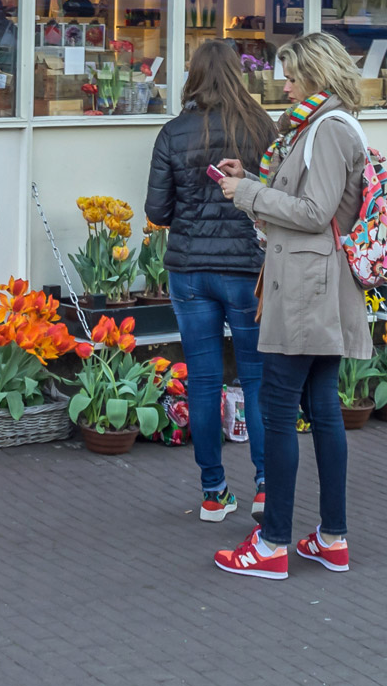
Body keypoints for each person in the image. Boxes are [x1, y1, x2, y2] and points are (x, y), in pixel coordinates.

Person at [209, 32, 373, 580]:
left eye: (291, 76)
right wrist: (251, 181)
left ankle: (273, 543)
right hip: (320, 285)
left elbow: (311, 210)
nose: (283, 85)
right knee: (321, 407)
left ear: (315, 76)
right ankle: (331, 537)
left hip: (307, 288)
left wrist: (248, 195)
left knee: (280, 410)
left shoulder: (325, 131)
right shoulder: (329, 124)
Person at [144, 40, 277, 523]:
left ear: (193, 75)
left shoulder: (173, 131)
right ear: (239, 74)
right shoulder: (263, 128)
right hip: (247, 269)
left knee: (202, 380)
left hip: (190, 271)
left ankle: (213, 493)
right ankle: (266, 486)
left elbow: (157, 211)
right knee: (258, 378)